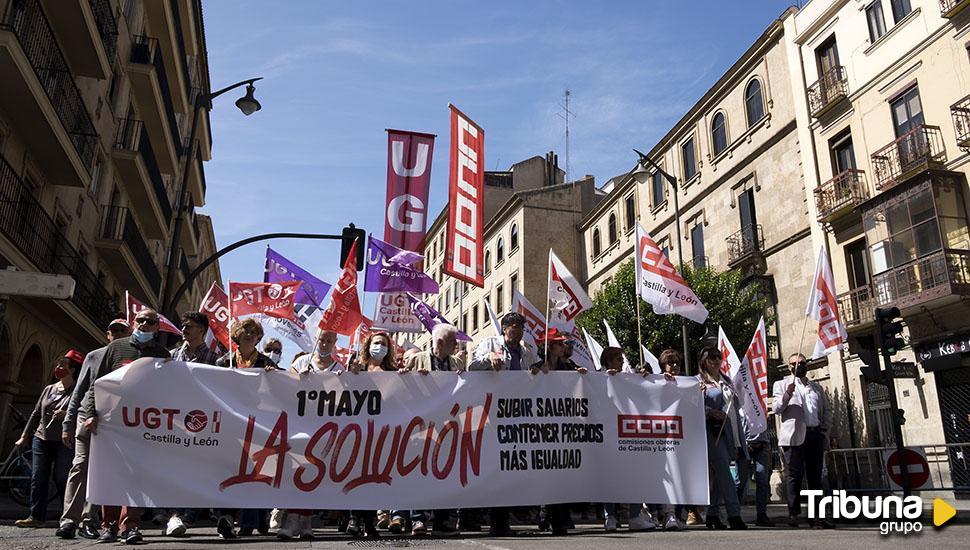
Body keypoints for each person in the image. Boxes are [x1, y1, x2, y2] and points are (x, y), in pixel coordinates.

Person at [86, 309, 171, 544]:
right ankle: (109, 526)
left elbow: (168, 390)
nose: (145, 324)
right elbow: (97, 383)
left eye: (151, 322)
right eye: (141, 320)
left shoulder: (162, 354)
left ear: (157, 327)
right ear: (134, 322)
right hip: (110, 421)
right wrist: (91, 414)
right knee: (110, 473)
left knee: (136, 475)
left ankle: (130, 526)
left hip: (143, 423)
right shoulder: (116, 348)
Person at [57, 319, 131, 540]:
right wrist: (67, 425)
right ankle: (69, 520)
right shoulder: (93, 356)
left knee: (100, 471)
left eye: (122, 331)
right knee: (80, 466)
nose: (117, 334)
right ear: (107, 334)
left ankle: (89, 520)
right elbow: (79, 392)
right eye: (114, 330)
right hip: (85, 418)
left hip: (114, 423)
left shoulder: (132, 359)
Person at [467, 312, 536, 536]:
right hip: (492, 413)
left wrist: (539, 371)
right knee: (492, 465)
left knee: (508, 466)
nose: (519, 331)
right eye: (515, 326)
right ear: (505, 328)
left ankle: (502, 519)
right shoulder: (489, 343)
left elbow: (532, 375)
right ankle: (488, 518)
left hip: (516, 414)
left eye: (522, 328)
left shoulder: (526, 351)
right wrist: (489, 360)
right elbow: (472, 367)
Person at [213, 318, 277, 539]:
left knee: (253, 473)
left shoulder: (267, 364)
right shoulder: (223, 362)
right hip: (229, 426)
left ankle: (250, 522)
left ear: (259, 337)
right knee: (229, 471)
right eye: (245, 331)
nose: (249, 334)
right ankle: (227, 518)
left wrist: (274, 377)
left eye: (254, 332)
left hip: (257, 426)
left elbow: (280, 393)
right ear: (236, 335)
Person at [396, 324, 462, 537]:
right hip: (420, 427)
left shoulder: (457, 363)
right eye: (453, 341)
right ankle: (418, 519)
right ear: (441, 343)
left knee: (444, 471)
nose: (456, 345)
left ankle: (442, 521)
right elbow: (401, 388)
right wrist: (406, 375)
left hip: (447, 426)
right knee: (419, 471)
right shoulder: (417, 360)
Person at [160, 311, 219, 538]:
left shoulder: (216, 360)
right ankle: (174, 515)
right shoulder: (171, 357)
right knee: (172, 468)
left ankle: (189, 513)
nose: (184, 329)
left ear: (202, 331)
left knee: (196, 469)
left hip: (201, 424)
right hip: (173, 423)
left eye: (191, 326)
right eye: (183, 326)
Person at [14, 350, 83, 528]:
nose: (58, 368)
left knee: (62, 478)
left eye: (63, 366)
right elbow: (36, 414)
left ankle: (68, 517)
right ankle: (36, 517)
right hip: (41, 438)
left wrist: (68, 414)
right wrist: (24, 437)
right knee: (38, 477)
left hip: (64, 442)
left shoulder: (78, 392)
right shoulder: (49, 389)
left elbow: (83, 413)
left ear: (73, 370)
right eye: (58, 365)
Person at [529, 328, 587, 536]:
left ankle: (558, 517)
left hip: (563, 427)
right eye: (560, 344)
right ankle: (550, 515)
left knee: (561, 473)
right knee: (548, 473)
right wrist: (534, 376)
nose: (565, 347)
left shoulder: (569, 366)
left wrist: (581, 377)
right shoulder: (535, 367)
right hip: (542, 427)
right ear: (550, 347)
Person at [343, 331, 396, 538]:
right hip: (358, 430)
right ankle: (355, 517)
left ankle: (369, 521)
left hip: (381, 432)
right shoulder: (359, 368)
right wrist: (350, 374)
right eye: (376, 343)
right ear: (368, 345)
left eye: (383, 344)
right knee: (356, 474)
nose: (380, 347)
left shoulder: (392, 370)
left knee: (373, 478)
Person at [772, 353, 831, 529]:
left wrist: (824, 430)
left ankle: (817, 517)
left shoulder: (816, 387)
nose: (798, 365)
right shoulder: (782, 385)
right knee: (794, 476)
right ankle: (793, 513)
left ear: (807, 365)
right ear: (789, 366)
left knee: (815, 477)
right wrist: (787, 394)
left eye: (802, 362)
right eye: (794, 363)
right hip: (794, 438)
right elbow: (776, 408)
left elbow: (827, 410)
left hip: (814, 435)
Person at [697, 346, 747, 530]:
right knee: (725, 473)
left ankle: (712, 514)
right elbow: (692, 407)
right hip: (712, 433)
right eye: (711, 357)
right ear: (704, 361)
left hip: (730, 432)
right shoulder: (699, 382)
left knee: (719, 476)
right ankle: (734, 514)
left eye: (718, 357)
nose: (716, 360)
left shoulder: (727, 381)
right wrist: (710, 411)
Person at [737, 407, 774, 527]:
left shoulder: (759, 400)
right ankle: (735, 513)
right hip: (745, 443)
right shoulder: (739, 402)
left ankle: (761, 514)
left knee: (762, 479)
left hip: (762, 443)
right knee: (741, 481)